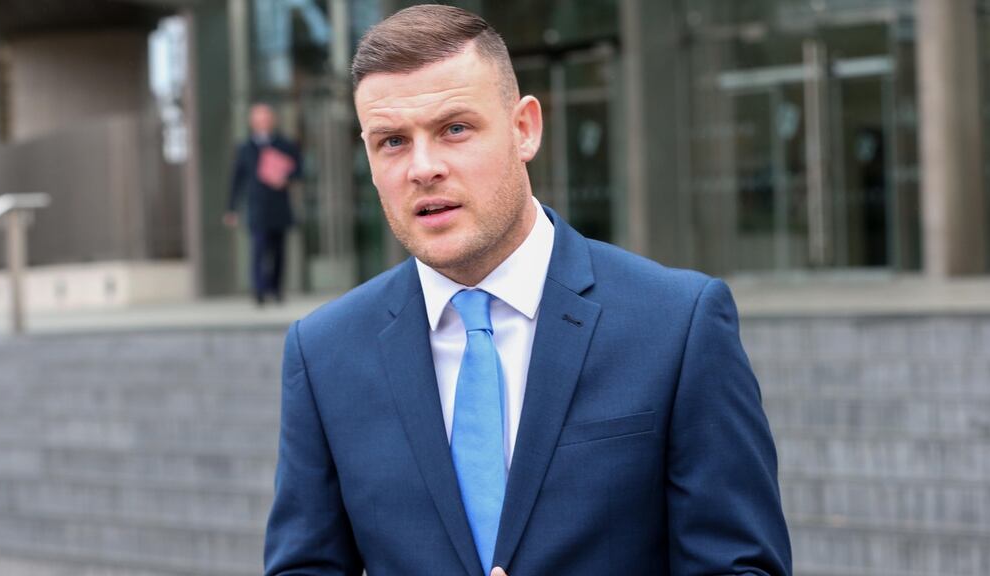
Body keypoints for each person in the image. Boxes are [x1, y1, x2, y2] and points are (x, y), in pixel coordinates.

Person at [264, 5, 791, 576]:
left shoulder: (677, 325)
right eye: (392, 141)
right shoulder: (324, 353)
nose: (423, 167)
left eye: (455, 129)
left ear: (524, 129)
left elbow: (740, 566)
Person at [224, 103, 302, 306]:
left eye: (266, 118)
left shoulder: (285, 145)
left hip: (279, 206)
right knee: (258, 250)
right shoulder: (245, 148)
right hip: (257, 207)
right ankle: (259, 291)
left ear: (273, 120)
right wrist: (231, 208)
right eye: (259, 118)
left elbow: (298, 170)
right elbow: (237, 179)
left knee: (278, 251)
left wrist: (286, 178)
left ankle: (276, 289)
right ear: (252, 122)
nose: (263, 122)